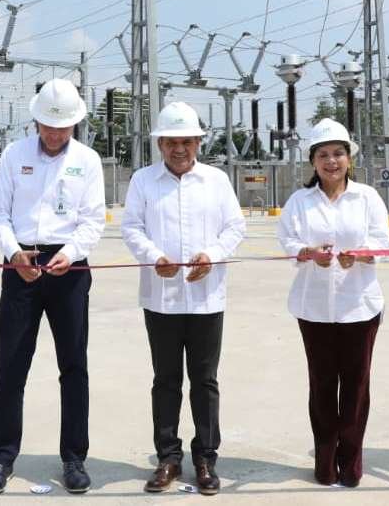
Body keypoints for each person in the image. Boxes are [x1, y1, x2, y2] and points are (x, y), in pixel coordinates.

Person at [0, 78, 106, 495]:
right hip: (20, 266)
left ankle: (74, 458)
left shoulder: (87, 161)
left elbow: (92, 221)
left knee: (73, 366)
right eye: (48, 127)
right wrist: (15, 254)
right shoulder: (14, 155)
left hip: (68, 269)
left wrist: (69, 253)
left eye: (63, 127)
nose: (54, 135)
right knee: (11, 364)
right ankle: (1, 457)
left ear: (75, 124)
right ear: (35, 121)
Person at [121, 102, 246, 495]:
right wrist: (152, 257)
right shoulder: (143, 180)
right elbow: (132, 228)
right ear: (160, 144)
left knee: (205, 381)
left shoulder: (215, 180)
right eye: (171, 142)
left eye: (187, 141)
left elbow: (235, 225)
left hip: (207, 299)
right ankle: (169, 458)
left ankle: (206, 458)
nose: (179, 149)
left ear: (198, 142)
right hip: (161, 300)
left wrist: (213, 254)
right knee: (166, 380)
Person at [275, 118, 389, 487]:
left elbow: (381, 243)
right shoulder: (299, 201)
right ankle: (324, 459)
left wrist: (361, 254)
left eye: (338, 153)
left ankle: (350, 460)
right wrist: (306, 252)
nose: (332, 161)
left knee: (356, 386)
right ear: (312, 161)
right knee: (322, 385)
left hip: (359, 305)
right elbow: (287, 240)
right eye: (323, 154)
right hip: (314, 308)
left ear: (349, 158)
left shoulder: (367, 197)